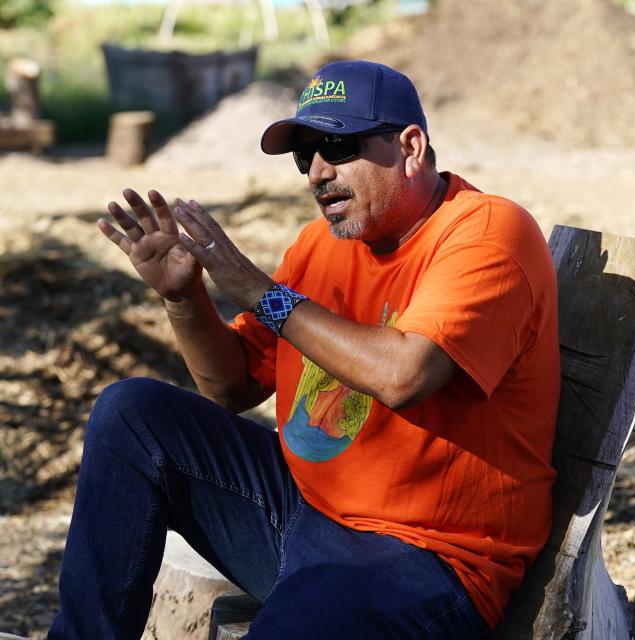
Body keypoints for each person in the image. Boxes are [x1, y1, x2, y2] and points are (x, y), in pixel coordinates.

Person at [47, 59, 560, 639]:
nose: (317, 173)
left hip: (429, 557)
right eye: (303, 156)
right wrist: (185, 298)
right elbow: (231, 387)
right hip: (301, 511)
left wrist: (260, 291)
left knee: (316, 603)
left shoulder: (488, 233)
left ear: (411, 146)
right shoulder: (321, 243)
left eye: (338, 147)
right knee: (130, 414)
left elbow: (405, 374)